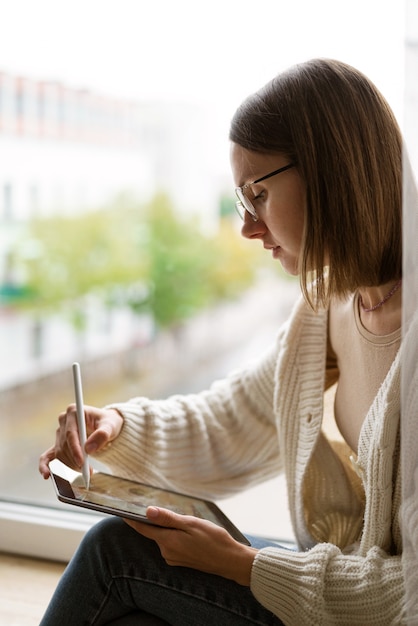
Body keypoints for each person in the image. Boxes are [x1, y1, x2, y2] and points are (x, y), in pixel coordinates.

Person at [38, 58, 413, 625]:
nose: (247, 227)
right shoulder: (332, 304)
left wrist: (248, 567)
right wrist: (117, 426)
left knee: (114, 555)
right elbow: (235, 419)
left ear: (330, 172)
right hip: (338, 579)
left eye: (256, 195)